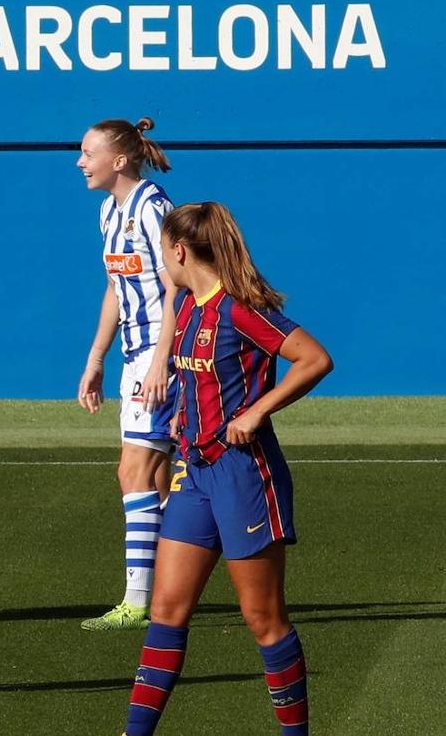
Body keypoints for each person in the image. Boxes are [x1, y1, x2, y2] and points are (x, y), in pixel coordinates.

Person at [121, 201, 331, 736]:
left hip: (244, 475)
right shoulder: (188, 307)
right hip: (194, 475)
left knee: (263, 619)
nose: (160, 261)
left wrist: (258, 411)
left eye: (161, 251)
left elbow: (314, 359)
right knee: (166, 611)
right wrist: (182, 419)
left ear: (178, 250)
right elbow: (201, 381)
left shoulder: (239, 309)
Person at [75, 117, 179, 631]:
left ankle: (137, 601)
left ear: (118, 161)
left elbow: (178, 285)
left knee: (132, 472)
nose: (80, 162)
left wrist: (161, 359)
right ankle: (169, 591)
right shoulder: (108, 212)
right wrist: (96, 358)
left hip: (160, 354)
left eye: (87, 153)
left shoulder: (152, 207)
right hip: (134, 354)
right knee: (158, 480)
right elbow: (116, 288)